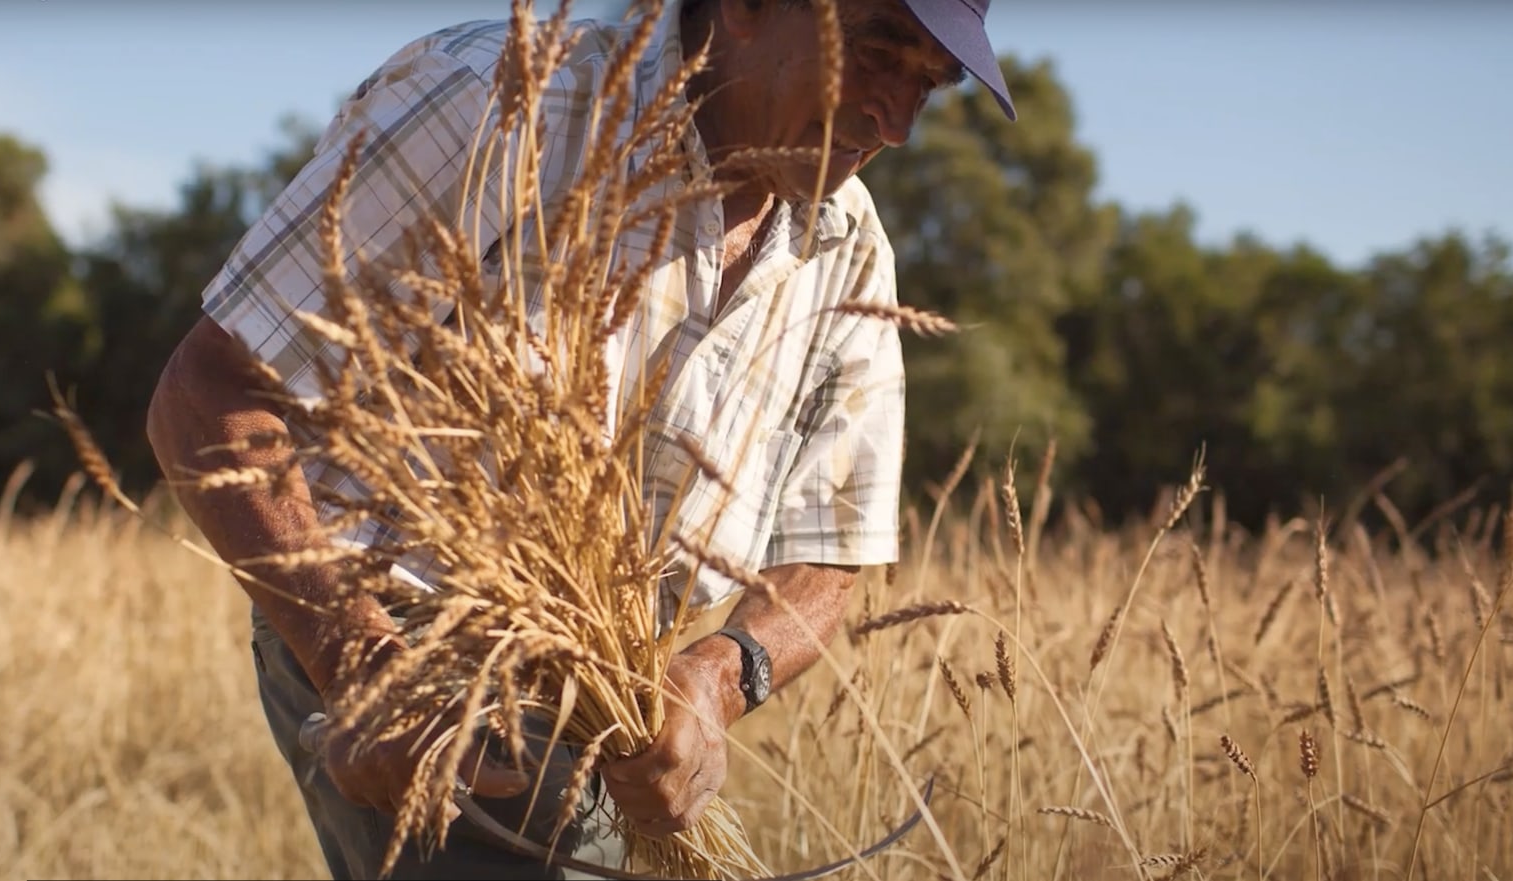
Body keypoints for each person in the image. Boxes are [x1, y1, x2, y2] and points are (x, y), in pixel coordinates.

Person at [144, 0, 1017, 877]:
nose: (896, 124)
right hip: (406, 636)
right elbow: (209, 392)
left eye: (928, 86)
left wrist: (720, 677)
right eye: (876, 53)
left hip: (610, 690)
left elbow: (829, 549)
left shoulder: (849, 248)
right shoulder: (500, 101)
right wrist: (364, 664)